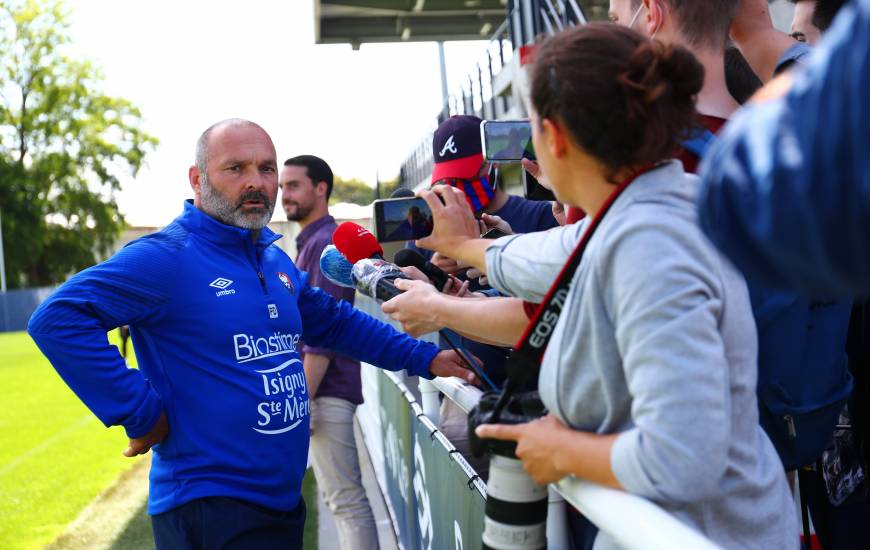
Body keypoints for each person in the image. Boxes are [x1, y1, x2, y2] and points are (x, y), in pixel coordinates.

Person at [412, 24, 798, 549]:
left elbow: (683, 456)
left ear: (559, 138)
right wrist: (462, 249)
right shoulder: (653, 202)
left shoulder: (651, 246)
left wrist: (557, 450)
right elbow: (557, 253)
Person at [27, 119, 475, 549]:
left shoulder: (271, 258)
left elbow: (334, 322)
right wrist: (141, 412)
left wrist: (426, 358)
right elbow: (57, 319)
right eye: (236, 168)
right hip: (211, 506)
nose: (256, 182)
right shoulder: (165, 257)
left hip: (278, 500)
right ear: (197, 180)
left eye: (266, 168)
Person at [280, 154, 380, 549]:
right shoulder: (312, 241)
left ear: (321, 188)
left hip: (324, 391)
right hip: (322, 389)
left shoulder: (326, 244)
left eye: (293, 185)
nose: (284, 195)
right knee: (340, 500)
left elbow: (321, 337)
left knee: (346, 502)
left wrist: (301, 402)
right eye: (283, 186)